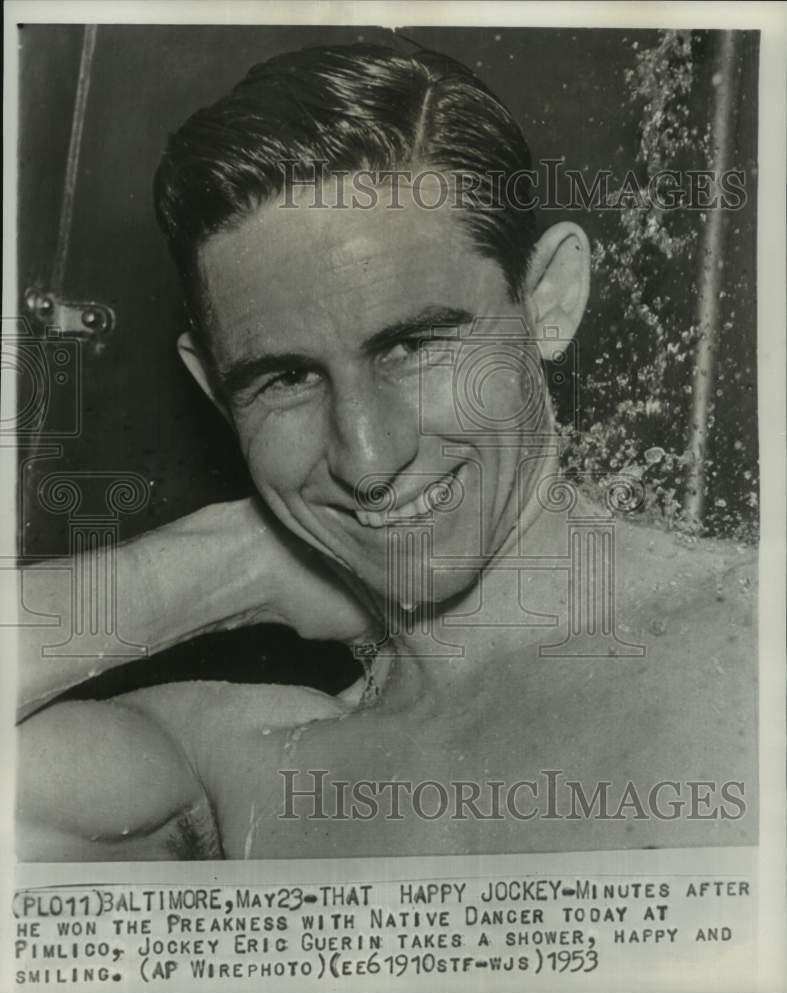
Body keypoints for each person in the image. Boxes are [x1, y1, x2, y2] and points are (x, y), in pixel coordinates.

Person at [16, 44, 756, 861]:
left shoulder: (752, 643)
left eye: (410, 345)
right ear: (214, 388)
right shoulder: (226, 765)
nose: (366, 458)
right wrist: (230, 564)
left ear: (548, 297)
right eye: (286, 378)